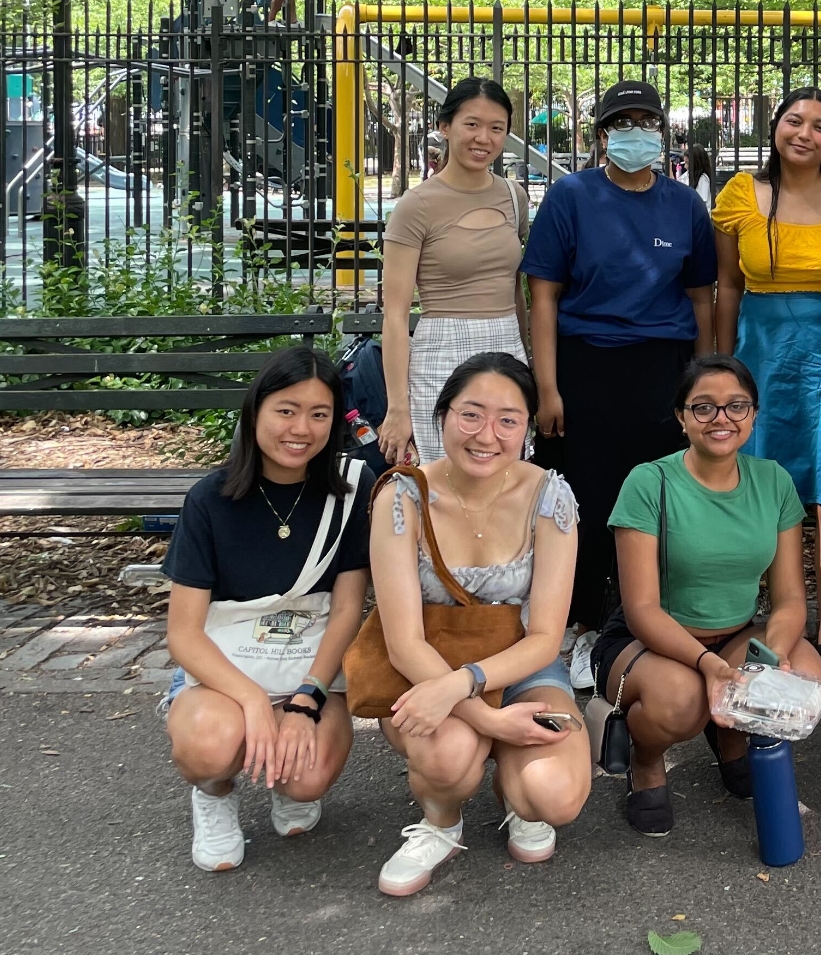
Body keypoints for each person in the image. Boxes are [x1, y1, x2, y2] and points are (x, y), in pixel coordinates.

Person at [367, 353, 588, 895]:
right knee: (449, 756)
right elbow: (402, 643)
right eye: (471, 414)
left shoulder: (549, 497)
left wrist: (465, 687)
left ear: (527, 429)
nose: (487, 434)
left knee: (555, 795)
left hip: (520, 665)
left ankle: (516, 793)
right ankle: (441, 819)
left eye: (508, 420)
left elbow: (545, 637)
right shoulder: (402, 496)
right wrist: (491, 723)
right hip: (425, 665)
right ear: (441, 415)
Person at [523, 80, 717, 690]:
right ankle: (578, 625)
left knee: (659, 504)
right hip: (587, 366)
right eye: (623, 122)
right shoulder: (571, 196)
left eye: (647, 121)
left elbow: (701, 297)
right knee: (585, 500)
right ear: (603, 134)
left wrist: (704, 383)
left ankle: (647, 623)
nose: (637, 132)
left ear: (662, 131)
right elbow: (544, 297)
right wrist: (547, 386)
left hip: (663, 369)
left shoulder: (684, 205)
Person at [593, 355, 821, 836]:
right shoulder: (649, 482)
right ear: (682, 417)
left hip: (739, 632)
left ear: (754, 415)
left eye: (736, 406)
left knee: (804, 677)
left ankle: (731, 744)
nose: (721, 418)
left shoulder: (774, 481)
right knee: (681, 702)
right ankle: (648, 761)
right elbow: (641, 609)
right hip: (652, 639)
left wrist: (771, 657)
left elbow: (788, 599)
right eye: (704, 407)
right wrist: (709, 665)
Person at [161, 347, 373, 873]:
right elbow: (184, 635)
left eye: (319, 414)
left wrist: (304, 701)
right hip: (228, 675)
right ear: (255, 410)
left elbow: (348, 610)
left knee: (309, 776)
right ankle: (213, 794)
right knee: (210, 747)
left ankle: (290, 784)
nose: (301, 427)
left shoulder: (350, 493)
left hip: (309, 668)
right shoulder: (209, 500)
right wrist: (254, 701)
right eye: (286, 409)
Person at [712, 88, 821, 660]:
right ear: (775, 127)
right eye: (794, 121)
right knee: (764, 488)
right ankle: (771, 615)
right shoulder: (742, 194)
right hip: (761, 361)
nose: (805, 133)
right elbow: (729, 288)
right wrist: (724, 371)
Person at [378, 78, 529, 467]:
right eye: (472, 124)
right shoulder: (416, 206)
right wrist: (398, 408)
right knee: (442, 478)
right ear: (445, 127)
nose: (484, 138)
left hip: (507, 346)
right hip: (441, 351)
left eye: (497, 128)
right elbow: (394, 316)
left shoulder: (514, 196)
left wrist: (528, 361)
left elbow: (517, 291)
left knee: (506, 474)